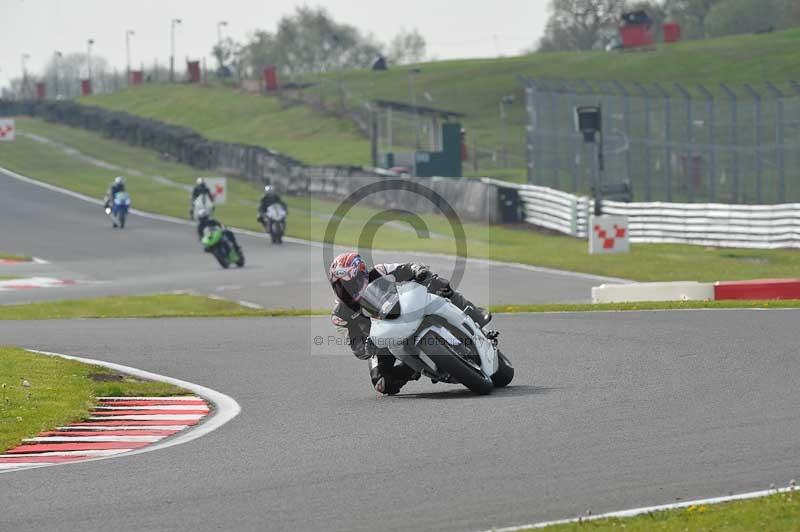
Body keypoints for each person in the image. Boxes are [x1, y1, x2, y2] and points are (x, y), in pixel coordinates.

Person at [328, 251, 491, 395]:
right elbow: (356, 346)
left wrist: (418, 271)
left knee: (438, 284)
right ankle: (413, 368)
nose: (347, 291)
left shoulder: (379, 271)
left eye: (351, 284)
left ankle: (473, 313)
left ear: (362, 274)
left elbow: (408, 268)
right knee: (382, 384)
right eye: (341, 286)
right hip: (381, 340)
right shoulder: (339, 315)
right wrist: (367, 347)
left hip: (405, 307)